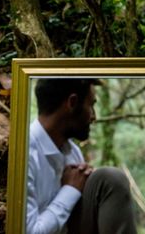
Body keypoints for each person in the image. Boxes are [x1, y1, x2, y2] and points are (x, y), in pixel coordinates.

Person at [27, 78, 137, 234]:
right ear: (72, 102)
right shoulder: (26, 154)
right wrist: (70, 190)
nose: (94, 117)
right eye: (91, 105)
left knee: (109, 180)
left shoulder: (72, 152)